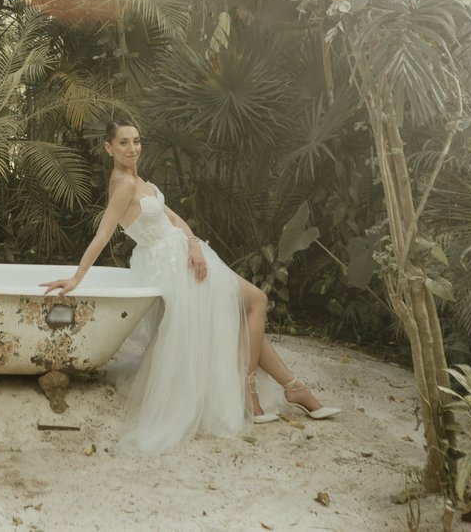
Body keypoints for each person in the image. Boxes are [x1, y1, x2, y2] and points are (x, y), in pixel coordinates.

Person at [43, 119, 338, 453]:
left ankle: (291, 387)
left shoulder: (140, 181)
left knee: (242, 313)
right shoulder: (123, 184)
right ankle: (252, 388)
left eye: (136, 141)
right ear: (108, 147)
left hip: (185, 253)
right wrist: (78, 276)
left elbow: (173, 218)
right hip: (169, 265)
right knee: (256, 300)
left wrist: (194, 245)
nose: (132, 148)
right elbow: (103, 233)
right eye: (123, 142)